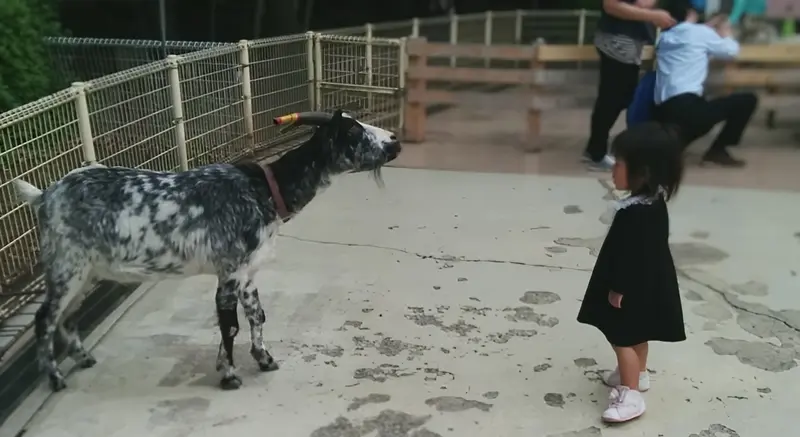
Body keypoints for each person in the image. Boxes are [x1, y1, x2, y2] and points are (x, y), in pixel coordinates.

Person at [577, 122, 687, 423]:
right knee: (639, 332)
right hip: (649, 283)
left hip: (630, 286)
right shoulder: (651, 203)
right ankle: (639, 374)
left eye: (620, 164)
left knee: (621, 337)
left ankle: (630, 394)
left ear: (644, 171)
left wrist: (618, 287)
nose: (612, 169)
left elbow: (633, 256)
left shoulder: (638, 213)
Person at [654, 0, 758, 167]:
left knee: (704, 109)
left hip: (664, 110)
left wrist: (708, 27)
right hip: (689, 108)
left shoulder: (665, 37)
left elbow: (690, 42)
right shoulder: (699, 33)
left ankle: (675, 146)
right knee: (747, 100)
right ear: (690, 13)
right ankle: (717, 151)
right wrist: (726, 31)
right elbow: (731, 52)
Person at [584, 0, 676, 171]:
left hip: (629, 44)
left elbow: (640, 3)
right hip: (617, 41)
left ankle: (595, 149)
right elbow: (611, 5)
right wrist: (653, 15)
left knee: (622, 96)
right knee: (612, 98)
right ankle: (595, 153)